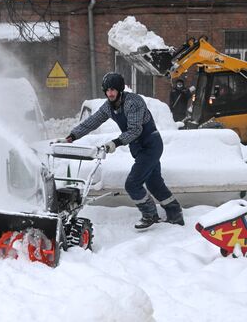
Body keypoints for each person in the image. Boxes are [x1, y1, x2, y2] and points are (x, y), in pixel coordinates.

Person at [58, 72, 184, 230]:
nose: (110, 93)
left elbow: (135, 130)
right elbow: (92, 122)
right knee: (154, 183)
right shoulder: (108, 107)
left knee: (132, 184)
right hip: (138, 148)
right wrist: (72, 136)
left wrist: (115, 143)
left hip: (151, 144)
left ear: (120, 90)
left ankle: (150, 214)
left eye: (113, 90)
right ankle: (175, 214)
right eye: (107, 90)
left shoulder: (133, 102)